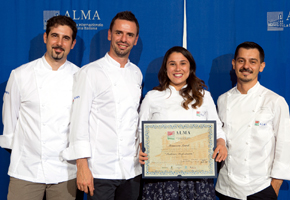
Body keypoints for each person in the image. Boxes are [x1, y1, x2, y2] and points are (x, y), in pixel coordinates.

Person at [62, 11, 142, 200]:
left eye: (129, 35)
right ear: (109, 34)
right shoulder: (89, 73)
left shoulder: (136, 73)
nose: (124, 39)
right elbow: (78, 122)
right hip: (100, 172)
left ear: (135, 40)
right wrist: (82, 167)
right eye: (119, 33)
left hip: (132, 170)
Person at [0, 15, 79, 200]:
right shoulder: (20, 75)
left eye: (66, 38)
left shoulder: (81, 76)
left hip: (65, 172)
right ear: (45, 38)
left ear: (73, 44)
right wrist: (22, 153)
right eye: (55, 36)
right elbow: (9, 123)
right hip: (26, 170)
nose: (59, 43)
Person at [139, 46, 227, 200]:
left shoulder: (204, 96)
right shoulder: (152, 97)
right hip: (161, 176)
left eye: (183, 63)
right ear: (166, 68)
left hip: (197, 177)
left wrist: (221, 143)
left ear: (190, 67)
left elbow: (217, 129)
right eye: (172, 64)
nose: (177, 68)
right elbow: (141, 132)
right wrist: (141, 150)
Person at [215, 41, 290, 200]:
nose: (246, 66)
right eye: (241, 61)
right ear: (234, 64)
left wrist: (275, 185)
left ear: (261, 66)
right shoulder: (222, 100)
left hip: (259, 188)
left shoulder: (274, 101)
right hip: (226, 187)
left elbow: (285, 144)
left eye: (252, 62)